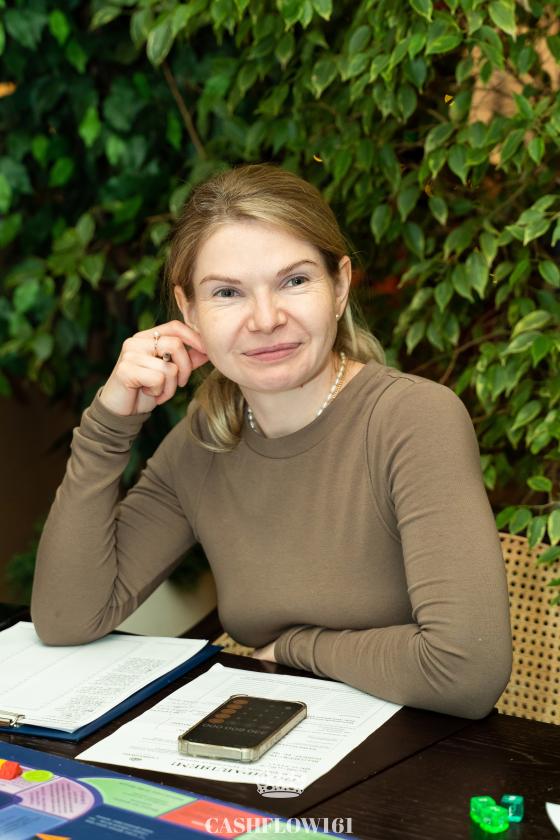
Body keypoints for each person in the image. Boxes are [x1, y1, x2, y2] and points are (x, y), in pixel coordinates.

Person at [31, 163, 512, 720]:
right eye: (227, 292)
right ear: (189, 312)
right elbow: (66, 619)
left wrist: (296, 648)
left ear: (340, 287)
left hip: (414, 749)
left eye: (294, 281)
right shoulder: (205, 440)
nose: (265, 319)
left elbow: (465, 672)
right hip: (274, 739)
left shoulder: (412, 418)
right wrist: (109, 424)